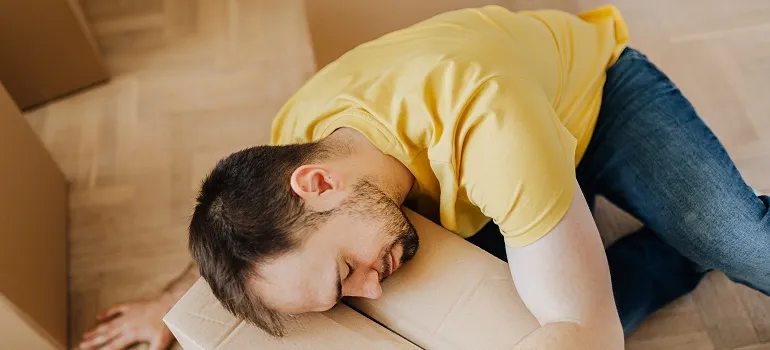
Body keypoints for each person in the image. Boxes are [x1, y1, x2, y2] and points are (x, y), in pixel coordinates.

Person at [80, 5, 770, 350]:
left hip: (596, 98)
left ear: (318, 186)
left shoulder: (482, 118)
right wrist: (166, 302)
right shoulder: (302, 139)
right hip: (511, 172)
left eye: (346, 271)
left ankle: (696, 239)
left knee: (743, 242)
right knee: (516, 324)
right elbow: (240, 225)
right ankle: (678, 249)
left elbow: (586, 332)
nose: (372, 288)